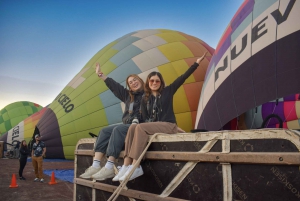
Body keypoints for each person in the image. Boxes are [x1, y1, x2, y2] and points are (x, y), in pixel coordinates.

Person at [115, 52, 208, 181]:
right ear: (148, 82)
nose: (154, 82)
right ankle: (126, 165)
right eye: (152, 80)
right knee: (133, 127)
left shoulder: (168, 91)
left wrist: (196, 63)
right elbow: (147, 118)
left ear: (161, 82)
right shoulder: (144, 99)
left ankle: (136, 166)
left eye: (157, 81)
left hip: (168, 124)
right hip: (156, 127)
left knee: (140, 128)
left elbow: (183, 77)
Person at [79, 62, 145, 181]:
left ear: (140, 80)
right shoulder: (128, 96)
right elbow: (115, 87)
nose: (133, 82)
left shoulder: (149, 94)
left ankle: (109, 166)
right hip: (128, 125)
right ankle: (96, 165)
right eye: (130, 82)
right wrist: (101, 75)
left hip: (140, 125)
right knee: (104, 131)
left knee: (118, 129)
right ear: (129, 87)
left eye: (135, 80)